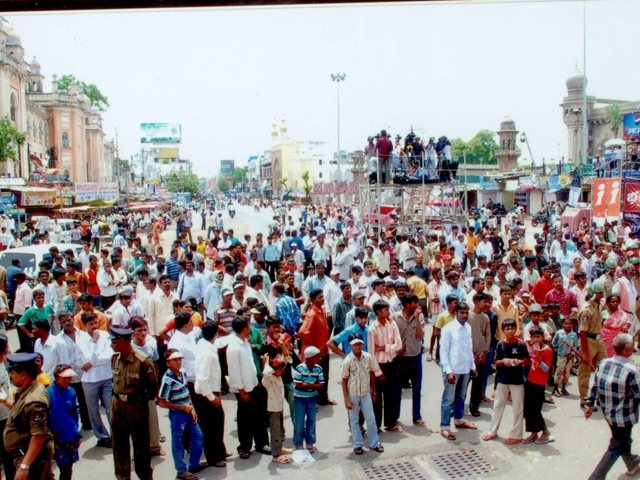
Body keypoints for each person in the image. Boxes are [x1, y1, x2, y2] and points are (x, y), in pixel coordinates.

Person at [584, 333, 640, 479]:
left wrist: (589, 404)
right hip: (624, 417)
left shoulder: (603, 363)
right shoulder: (632, 370)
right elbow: (638, 394)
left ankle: (632, 464)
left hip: (608, 414)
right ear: (627, 349)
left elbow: (595, 385)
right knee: (616, 446)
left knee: (623, 440)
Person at [110, 327, 158, 480]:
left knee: (141, 445)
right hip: (117, 406)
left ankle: (144, 476)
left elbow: (152, 387)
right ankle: (122, 476)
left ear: (124, 342)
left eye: (114, 341)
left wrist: (138, 402)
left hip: (135, 406)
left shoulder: (142, 361)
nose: (112, 344)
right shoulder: (114, 358)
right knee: (119, 444)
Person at [3, 353, 54, 480]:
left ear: (23, 374)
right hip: (27, 456)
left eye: (12, 372)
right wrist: (5, 401)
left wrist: (24, 467)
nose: (10, 375)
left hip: (32, 459)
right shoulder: (27, 391)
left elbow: (38, 436)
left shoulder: (34, 400)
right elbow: (22, 414)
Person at [158, 349, 206, 480]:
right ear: (168, 363)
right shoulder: (167, 380)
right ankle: (181, 470)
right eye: (175, 360)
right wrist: (181, 407)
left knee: (198, 437)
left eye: (180, 359)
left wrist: (192, 408)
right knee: (178, 443)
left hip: (188, 410)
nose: (179, 362)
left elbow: (186, 392)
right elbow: (162, 402)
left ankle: (194, 465)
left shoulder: (183, 372)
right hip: (177, 414)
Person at [226, 315, 269, 459]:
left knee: (259, 416)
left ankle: (261, 443)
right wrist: (241, 391)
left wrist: (256, 381)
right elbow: (234, 372)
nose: (251, 327)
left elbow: (249, 364)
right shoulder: (234, 347)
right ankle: (244, 447)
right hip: (243, 389)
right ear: (244, 329)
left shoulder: (245, 342)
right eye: (249, 325)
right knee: (245, 420)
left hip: (253, 384)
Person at [482, 318, 529, 445]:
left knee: (518, 408)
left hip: (517, 380)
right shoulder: (500, 344)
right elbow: (496, 362)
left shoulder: (521, 344)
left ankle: (516, 435)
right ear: (503, 330)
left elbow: (527, 360)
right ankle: (492, 431)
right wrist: (503, 361)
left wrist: (520, 361)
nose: (510, 331)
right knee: (498, 405)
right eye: (507, 329)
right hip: (502, 379)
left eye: (512, 328)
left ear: (515, 329)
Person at [439, 302, 477, 441]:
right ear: (456, 313)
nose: (465, 315)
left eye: (466, 313)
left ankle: (459, 420)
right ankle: (444, 427)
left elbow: (469, 349)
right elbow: (443, 352)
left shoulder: (468, 327)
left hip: (465, 369)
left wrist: (472, 366)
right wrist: (449, 371)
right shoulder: (448, 329)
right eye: (462, 312)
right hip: (452, 370)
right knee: (448, 399)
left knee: (461, 396)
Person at [341, 332, 384, 455]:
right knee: (354, 420)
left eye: (359, 344)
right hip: (353, 394)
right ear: (350, 345)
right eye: (355, 344)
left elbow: (371, 374)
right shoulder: (347, 361)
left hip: (365, 393)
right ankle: (358, 444)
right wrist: (346, 399)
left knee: (371, 418)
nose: (357, 346)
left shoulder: (368, 357)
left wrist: (374, 391)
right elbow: (344, 380)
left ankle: (375, 443)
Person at [193, 320, 227, 468]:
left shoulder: (204, 345)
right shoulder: (207, 352)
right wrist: (212, 398)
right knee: (213, 427)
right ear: (215, 334)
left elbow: (220, 342)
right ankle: (214, 458)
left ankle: (219, 452)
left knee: (215, 425)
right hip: (207, 393)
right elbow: (202, 378)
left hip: (207, 392)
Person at [77, 311, 113, 448]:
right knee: (93, 410)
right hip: (90, 379)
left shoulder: (105, 335)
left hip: (107, 376)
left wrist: (91, 363)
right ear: (85, 325)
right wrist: (94, 342)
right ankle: (102, 437)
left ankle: (115, 435)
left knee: (111, 407)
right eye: (91, 324)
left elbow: (109, 356)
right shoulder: (81, 339)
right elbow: (89, 357)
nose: (94, 326)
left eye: (95, 323)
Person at [368, 299, 403, 433]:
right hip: (379, 366)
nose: (388, 312)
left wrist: (384, 348)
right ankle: (376, 426)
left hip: (391, 364)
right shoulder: (372, 329)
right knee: (377, 398)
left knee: (391, 396)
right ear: (378, 312)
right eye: (386, 310)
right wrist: (378, 372)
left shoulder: (392, 324)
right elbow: (371, 353)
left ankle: (390, 423)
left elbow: (399, 345)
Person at [298, 289, 336, 405]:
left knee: (323, 376)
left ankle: (323, 399)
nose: (323, 299)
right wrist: (311, 349)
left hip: (324, 350)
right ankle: (312, 402)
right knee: (313, 378)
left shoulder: (321, 310)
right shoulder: (312, 314)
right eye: (320, 297)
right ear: (313, 300)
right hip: (316, 353)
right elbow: (303, 332)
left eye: (322, 296)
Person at [393, 293, 426, 427]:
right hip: (399, 357)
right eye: (414, 303)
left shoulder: (420, 316)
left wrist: (417, 318)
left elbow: (420, 335)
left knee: (417, 387)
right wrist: (397, 349)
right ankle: (394, 416)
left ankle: (417, 416)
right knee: (397, 388)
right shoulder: (395, 317)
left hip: (414, 356)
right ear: (407, 304)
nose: (417, 306)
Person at [47, 365, 81, 480]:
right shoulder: (48, 393)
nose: (67, 380)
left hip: (70, 436)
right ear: (56, 377)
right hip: (56, 438)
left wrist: (77, 434)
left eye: (69, 378)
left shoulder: (71, 391)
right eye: (64, 378)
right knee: (63, 468)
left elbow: (74, 413)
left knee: (68, 469)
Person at [523, 325, 554, 444]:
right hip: (530, 380)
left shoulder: (547, 350)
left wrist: (538, 357)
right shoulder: (532, 347)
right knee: (528, 409)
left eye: (538, 337)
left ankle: (545, 432)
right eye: (534, 337)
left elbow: (546, 368)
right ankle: (533, 433)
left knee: (536, 409)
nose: (536, 339)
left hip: (539, 383)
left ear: (542, 337)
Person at [578, 283, 608, 408]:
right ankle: (584, 398)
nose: (601, 295)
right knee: (585, 371)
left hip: (599, 340)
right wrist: (585, 352)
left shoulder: (598, 306)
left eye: (602, 292)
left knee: (603, 368)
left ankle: (600, 396)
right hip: (588, 340)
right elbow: (582, 332)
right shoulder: (587, 309)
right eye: (599, 293)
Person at [261, 354, 293, 464]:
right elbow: (266, 373)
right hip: (273, 408)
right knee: (275, 431)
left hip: (279, 407)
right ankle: (276, 454)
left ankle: (279, 448)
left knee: (280, 430)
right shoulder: (268, 379)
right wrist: (266, 362)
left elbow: (286, 359)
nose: (282, 372)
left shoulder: (279, 377)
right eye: (280, 370)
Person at [293, 346, 324, 453]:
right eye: (317, 356)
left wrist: (308, 384)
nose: (320, 358)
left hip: (312, 398)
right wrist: (314, 385)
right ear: (310, 358)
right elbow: (298, 386)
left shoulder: (318, 369)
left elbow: (321, 385)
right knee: (299, 421)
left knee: (311, 420)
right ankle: (298, 443)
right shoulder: (300, 368)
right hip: (299, 398)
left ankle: (310, 442)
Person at [551, 317, 579, 397]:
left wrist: (572, 354)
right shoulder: (559, 333)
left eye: (569, 324)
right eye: (566, 324)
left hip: (569, 357)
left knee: (567, 373)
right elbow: (553, 343)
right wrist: (557, 350)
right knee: (559, 372)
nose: (568, 325)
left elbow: (575, 346)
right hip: (561, 356)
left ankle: (563, 388)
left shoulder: (574, 335)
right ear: (563, 324)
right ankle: (555, 389)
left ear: (572, 325)